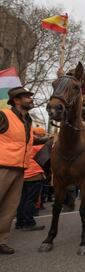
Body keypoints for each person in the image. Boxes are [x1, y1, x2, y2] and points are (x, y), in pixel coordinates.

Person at [0, 87, 47, 254]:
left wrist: (46, 139)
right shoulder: (4, 115)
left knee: (9, 208)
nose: (30, 98)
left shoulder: (27, 119)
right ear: (16, 100)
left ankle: (1, 241)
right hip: (3, 166)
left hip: (20, 168)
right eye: (27, 96)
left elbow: (26, 141)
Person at [15, 127, 47, 231]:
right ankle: (29, 222)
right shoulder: (40, 145)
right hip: (34, 175)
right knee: (31, 200)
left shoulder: (26, 141)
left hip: (23, 174)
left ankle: (19, 223)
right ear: (41, 135)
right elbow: (47, 156)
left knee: (22, 199)